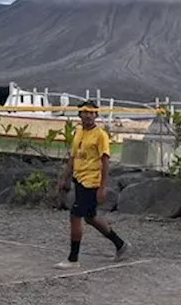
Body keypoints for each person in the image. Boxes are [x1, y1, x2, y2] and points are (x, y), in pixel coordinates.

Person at [55, 100, 129, 269]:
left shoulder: (100, 135)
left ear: (96, 115)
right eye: (85, 112)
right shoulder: (79, 131)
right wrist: (65, 178)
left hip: (91, 181)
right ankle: (120, 245)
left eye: (91, 112)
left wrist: (102, 187)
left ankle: (73, 259)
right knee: (90, 217)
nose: (88, 115)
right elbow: (73, 157)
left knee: (75, 216)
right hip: (79, 178)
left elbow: (105, 161)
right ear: (80, 114)